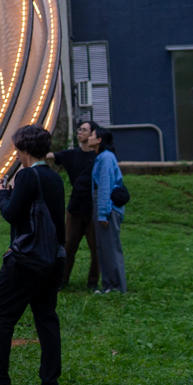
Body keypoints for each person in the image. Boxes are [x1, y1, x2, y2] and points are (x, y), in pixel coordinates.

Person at [0, 124, 65, 385]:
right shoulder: (54, 178)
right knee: (46, 318)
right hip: (54, 257)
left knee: (0, 314)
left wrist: (1, 193)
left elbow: (11, 214)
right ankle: (50, 382)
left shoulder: (27, 177)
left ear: (23, 150)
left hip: (27, 258)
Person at [47, 121, 99, 289]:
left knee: (96, 248)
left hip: (93, 209)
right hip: (75, 207)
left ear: (93, 134)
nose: (79, 133)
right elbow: (50, 156)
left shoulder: (99, 157)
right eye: (79, 130)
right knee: (68, 245)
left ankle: (93, 282)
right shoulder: (72, 155)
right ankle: (62, 279)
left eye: (84, 130)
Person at [90, 125, 128, 293]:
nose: (88, 137)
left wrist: (103, 213)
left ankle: (117, 286)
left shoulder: (105, 158)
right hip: (104, 207)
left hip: (108, 208)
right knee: (103, 247)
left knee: (110, 247)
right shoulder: (102, 157)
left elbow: (105, 186)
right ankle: (108, 285)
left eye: (92, 134)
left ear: (99, 139)